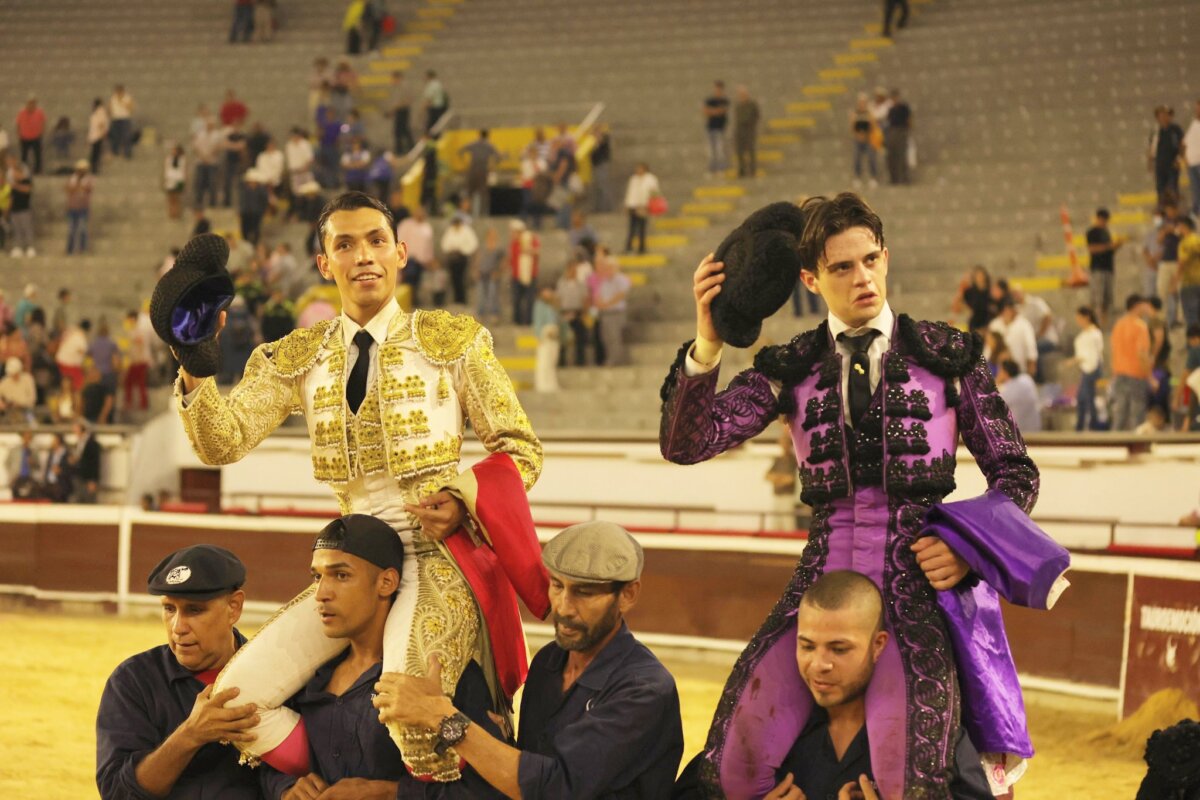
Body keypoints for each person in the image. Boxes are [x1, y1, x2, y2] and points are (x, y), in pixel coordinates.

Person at [660, 193, 1040, 798]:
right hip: (820, 592)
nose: (862, 278)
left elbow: (1017, 474)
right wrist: (707, 344)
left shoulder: (947, 355)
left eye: (870, 260)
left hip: (916, 598)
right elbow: (688, 442)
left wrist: (968, 547)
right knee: (731, 765)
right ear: (811, 278)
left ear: (886, 258)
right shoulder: (791, 365)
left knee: (906, 780)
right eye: (842, 268)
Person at [174, 191, 545, 780]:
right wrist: (195, 360)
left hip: (436, 555)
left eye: (376, 240)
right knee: (232, 703)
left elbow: (518, 448)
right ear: (325, 264)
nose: (363, 255)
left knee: (409, 720)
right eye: (344, 244)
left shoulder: (452, 340)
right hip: (350, 563)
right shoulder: (298, 356)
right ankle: (326, 781)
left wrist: (462, 499)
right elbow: (223, 442)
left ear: (401, 253)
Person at [373, 520, 685, 799]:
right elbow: (524, 769)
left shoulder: (646, 689)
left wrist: (442, 718)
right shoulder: (550, 661)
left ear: (627, 595)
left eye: (585, 593)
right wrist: (393, 792)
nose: (564, 608)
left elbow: (555, 788)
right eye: (557, 586)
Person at [258, 515, 506, 799]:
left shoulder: (443, 672)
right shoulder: (308, 674)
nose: (321, 593)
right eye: (317, 576)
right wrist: (286, 787)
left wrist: (390, 793)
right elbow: (267, 766)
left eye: (341, 575)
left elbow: (491, 786)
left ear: (386, 582)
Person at [762, 571, 989, 800]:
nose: (819, 665)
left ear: (878, 645)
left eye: (839, 649)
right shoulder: (776, 732)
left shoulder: (933, 735)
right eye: (807, 647)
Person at [96, 544, 259, 799]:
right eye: (169, 609)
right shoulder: (132, 681)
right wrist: (190, 735)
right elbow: (117, 793)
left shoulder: (275, 676)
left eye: (194, 610)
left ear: (234, 608)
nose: (178, 627)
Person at [1109, 294, 1153, 431]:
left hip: (1119, 373)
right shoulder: (1140, 326)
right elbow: (1142, 354)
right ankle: (1137, 446)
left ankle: (1113, 446)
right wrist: (1150, 377)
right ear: (1137, 306)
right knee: (1137, 414)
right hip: (1136, 374)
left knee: (1119, 414)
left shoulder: (1118, 324)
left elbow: (1113, 349)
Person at [592, 248, 632, 367]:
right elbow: (599, 295)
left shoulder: (621, 279)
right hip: (605, 313)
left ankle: (615, 360)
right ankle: (610, 358)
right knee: (606, 338)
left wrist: (607, 303)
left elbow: (621, 294)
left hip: (616, 313)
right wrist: (600, 303)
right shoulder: (604, 282)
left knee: (615, 337)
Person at [1067, 306, 1104, 432]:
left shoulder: (1094, 334)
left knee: (1088, 398)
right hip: (1086, 369)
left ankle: (1092, 425)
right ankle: (1081, 425)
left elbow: (1093, 355)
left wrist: (1086, 365)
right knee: (1083, 398)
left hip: (1091, 369)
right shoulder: (1084, 335)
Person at [1086, 207, 1125, 327]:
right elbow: (1092, 249)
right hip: (1098, 269)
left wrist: (1116, 246)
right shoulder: (1092, 232)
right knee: (1098, 299)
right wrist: (1110, 246)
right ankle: (1095, 323)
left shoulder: (1106, 232)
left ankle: (1105, 323)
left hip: (1108, 268)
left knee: (1107, 299)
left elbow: (1109, 251)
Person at [989, 297, 1038, 380]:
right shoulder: (995, 325)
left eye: (1009, 309)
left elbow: (1031, 348)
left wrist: (1031, 370)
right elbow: (988, 348)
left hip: (1019, 372)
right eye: (1005, 309)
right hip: (997, 372)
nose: (1007, 312)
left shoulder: (1024, 325)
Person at [1149, 105, 1185, 206]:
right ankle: (1162, 210)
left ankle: (1175, 209)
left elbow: (1182, 144)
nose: (1163, 118)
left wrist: (1179, 158)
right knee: (1160, 188)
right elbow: (1152, 147)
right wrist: (1150, 162)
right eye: (1160, 116)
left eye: (1165, 115)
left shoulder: (1175, 129)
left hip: (1172, 163)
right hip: (1160, 164)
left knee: (1173, 187)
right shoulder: (1155, 131)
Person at [440, 212, 479, 306]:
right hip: (453, 258)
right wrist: (452, 249)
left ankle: (462, 300)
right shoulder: (450, 230)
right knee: (454, 279)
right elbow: (444, 244)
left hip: (462, 257)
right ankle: (457, 299)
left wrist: (462, 249)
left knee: (461, 279)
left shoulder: (467, 230)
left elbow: (473, 244)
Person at [460, 129, 500, 219]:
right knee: (483, 194)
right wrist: (492, 166)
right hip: (483, 171)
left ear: (479, 135)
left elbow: (461, 151)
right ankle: (483, 214)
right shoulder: (489, 146)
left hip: (472, 170)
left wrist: (465, 163)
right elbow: (498, 157)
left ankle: (466, 213)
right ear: (488, 136)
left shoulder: (473, 144)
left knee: (469, 192)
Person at [995, 360, 1041, 433]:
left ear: (1005, 373)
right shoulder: (1027, 379)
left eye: (1000, 371)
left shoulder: (1007, 389)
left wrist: (997, 382)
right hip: (1035, 428)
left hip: (1019, 434)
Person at [624, 162, 660, 254]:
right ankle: (629, 247)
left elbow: (655, 193)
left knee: (641, 229)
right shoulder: (634, 179)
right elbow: (630, 192)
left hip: (643, 206)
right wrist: (628, 205)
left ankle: (641, 248)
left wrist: (647, 204)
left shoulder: (651, 179)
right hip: (633, 205)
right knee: (632, 228)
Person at [508, 219, 539, 325]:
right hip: (516, 276)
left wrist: (528, 249)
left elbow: (537, 252)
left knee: (530, 299)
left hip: (531, 275)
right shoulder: (514, 244)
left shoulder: (531, 240)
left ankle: (529, 321)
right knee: (516, 300)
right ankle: (517, 321)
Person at [531, 286, 560, 393]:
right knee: (544, 361)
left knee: (552, 361)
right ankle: (542, 385)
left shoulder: (553, 305)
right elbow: (538, 322)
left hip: (554, 335)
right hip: (545, 335)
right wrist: (540, 336)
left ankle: (551, 384)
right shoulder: (539, 305)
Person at [6, 155, 35, 258]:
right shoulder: (12, 185)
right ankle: (18, 247)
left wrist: (15, 185)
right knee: (16, 229)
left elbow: (27, 190)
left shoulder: (26, 181)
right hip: (15, 210)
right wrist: (8, 210)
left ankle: (30, 247)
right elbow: (11, 197)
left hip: (24, 209)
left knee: (26, 228)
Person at [65, 159, 94, 255]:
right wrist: (78, 186)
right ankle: (70, 249)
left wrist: (77, 187)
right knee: (71, 229)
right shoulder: (72, 178)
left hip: (83, 208)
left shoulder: (88, 179)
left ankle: (82, 249)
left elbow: (88, 189)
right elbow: (69, 189)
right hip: (72, 208)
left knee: (82, 229)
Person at [1176, 216, 1200, 331]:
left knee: (1191, 316)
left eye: (1179, 226)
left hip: (1189, 283)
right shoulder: (1198, 240)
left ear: (1184, 227)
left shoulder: (1185, 243)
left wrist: (1174, 280)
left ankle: (1194, 345)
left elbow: (1182, 263)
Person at [884, 89, 912, 185]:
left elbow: (909, 120)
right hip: (892, 132)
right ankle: (894, 179)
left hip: (901, 131)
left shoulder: (904, 107)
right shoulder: (891, 109)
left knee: (902, 156)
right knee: (892, 156)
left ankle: (904, 178)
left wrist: (906, 131)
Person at [850, 93, 879, 188]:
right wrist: (858, 135)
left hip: (868, 139)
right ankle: (857, 178)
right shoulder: (855, 113)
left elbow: (873, 125)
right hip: (858, 139)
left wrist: (867, 135)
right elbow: (852, 126)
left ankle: (873, 178)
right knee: (857, 158)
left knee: (871, 158)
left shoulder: (869, 113)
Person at [702, 80, 731, 176]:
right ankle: (712, 170)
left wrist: (713, 111)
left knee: (720, 151)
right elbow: (705, 111)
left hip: (720, 129)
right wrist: (716, 111)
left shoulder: (725, 100)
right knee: (711, 151)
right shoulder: (710, 100)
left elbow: (723, 111)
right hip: (711, 128)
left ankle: (720, 170)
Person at [733, 86, 761, 180]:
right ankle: (742, 170)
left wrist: (751, 125)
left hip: (749, 130)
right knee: (740, 151)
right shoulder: (738, 106)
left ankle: (752, 170)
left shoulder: (752, 104)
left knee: (751, 151)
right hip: (740, 130)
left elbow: (756, 116)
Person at [15, 94, 46, 174]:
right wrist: (19, 134)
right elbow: (18, 124)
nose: (31, 105)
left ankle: (38, 170)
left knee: (37, 155)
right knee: (24, 156)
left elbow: (43, 123)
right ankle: (23, 171)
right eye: (30, 103)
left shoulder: (39, 112)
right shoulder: (21, 112)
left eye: (33, 103)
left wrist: (41, 133)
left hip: (36, 137)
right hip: (24, 137)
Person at [387, 71, 414, 155]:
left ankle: (404, 148)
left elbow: (405, 101)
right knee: (400, 130)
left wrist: (394, 109)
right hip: (399, 111)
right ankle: (402, 148)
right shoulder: (398, 87)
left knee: (402, 130)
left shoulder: (404, 86)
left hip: (403, 111)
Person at [109, 85, 135, 160]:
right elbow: (110, 107)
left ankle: (127, 153)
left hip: (125, 118)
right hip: (115, 118)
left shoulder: (127, 97)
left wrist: (121, 101)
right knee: (115, 136)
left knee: (126, 136)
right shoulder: (113, 98)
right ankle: (115, 151)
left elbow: (131, 107)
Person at [1185, 99, 1200, 218]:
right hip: (1192, 163)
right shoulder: (1194, 124)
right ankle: (1197, 210)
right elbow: (1185, 142)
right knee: (1195, 189)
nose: (1197, 110)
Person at [164, 144, 187, 219]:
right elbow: (166, 169)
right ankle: (171, 213)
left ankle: (177, 213)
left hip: (179, 180)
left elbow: (184, 170)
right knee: (171, 198)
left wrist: (184, 181)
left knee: (178, 198)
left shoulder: (182, 159)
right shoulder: (169, 159)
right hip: (170, 179)